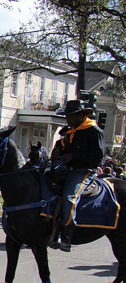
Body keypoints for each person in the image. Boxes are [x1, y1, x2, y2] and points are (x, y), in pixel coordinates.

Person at [49, 99, 105, 251]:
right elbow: (64, 149)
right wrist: (57, 153)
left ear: (81, 115)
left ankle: (67, 234)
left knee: (69, 197)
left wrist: (74, 156)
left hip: (84, 170)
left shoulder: (94, 132)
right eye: (66, 116)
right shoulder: (70, 131)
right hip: (66, 168)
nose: (67, 119)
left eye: (71, 116)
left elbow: (98, 158)